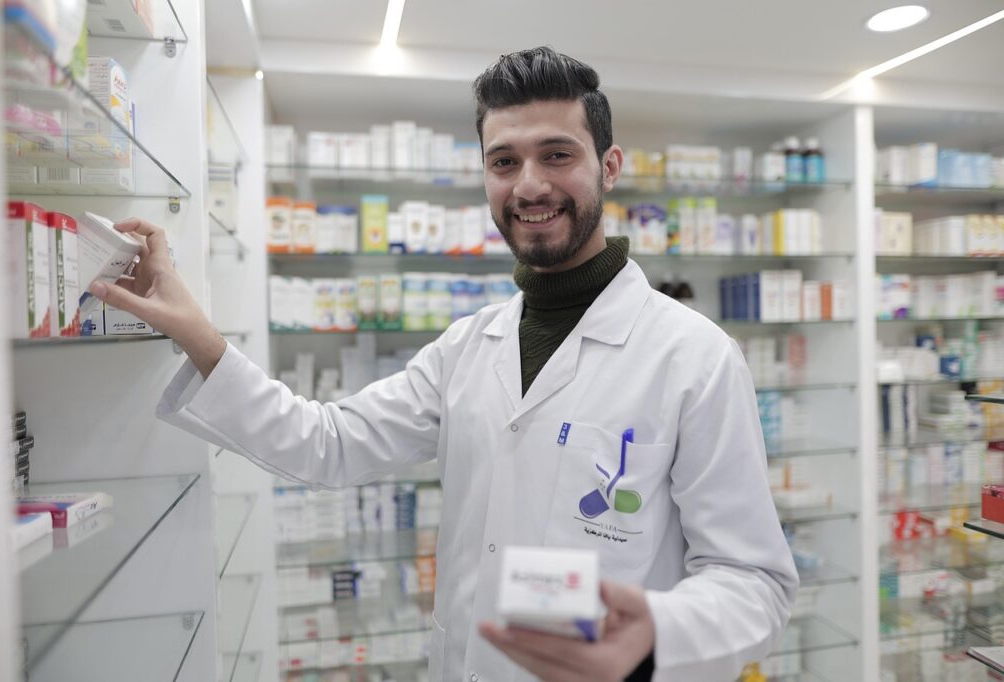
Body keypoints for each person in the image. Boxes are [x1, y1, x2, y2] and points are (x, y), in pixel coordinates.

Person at [92, 46, 797, 682]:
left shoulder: (694, 358)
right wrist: (200, 336)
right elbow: (328, 444)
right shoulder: (468, 347)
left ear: (608, 166)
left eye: (557, 155)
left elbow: (754, 581)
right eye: (504, 161)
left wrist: (656, 634)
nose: (528, 185)